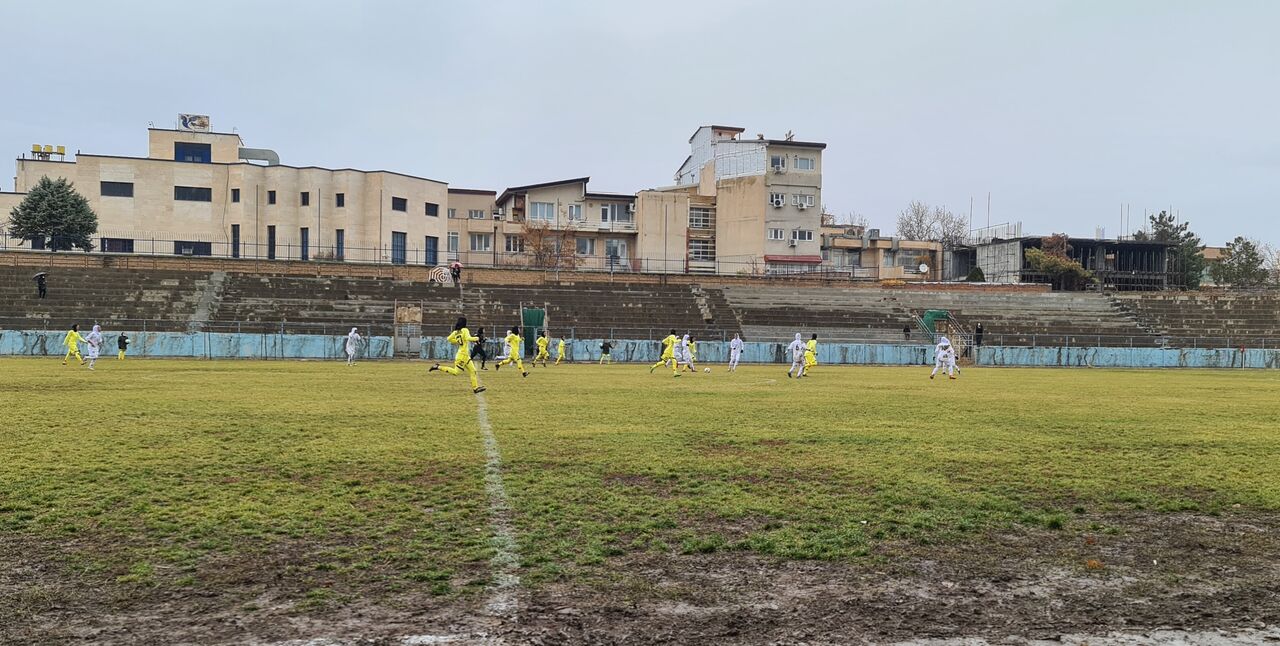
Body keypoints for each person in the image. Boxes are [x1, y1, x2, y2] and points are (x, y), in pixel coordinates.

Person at [429, 316, 486, 393]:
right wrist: (477, 338)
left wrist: (457, 341)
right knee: (456, 372)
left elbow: (449, 339)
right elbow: (469, 338)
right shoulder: (465, 330)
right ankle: (438, 367)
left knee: (473, 371)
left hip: (464, 355)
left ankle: (475, 388)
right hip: (462, 356)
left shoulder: (456, 332)